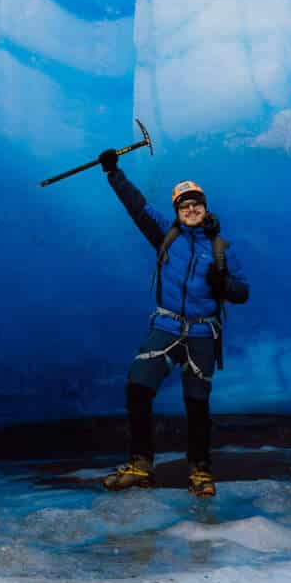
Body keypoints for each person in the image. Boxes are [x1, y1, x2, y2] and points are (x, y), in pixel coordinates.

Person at [98, 148, 249, 497]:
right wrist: (113, 173)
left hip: (202, 332)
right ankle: (141, 465)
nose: (191, 209)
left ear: (205, 207)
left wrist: (223, 285)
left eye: (196, 203)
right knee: (138, 386)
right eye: (184, 205)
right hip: (166, 328)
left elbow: (243, 291)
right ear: (177, 211)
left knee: (197, 403)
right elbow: (136, 206)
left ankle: (200, 471)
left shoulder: (222, 249)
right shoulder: (165, 234)